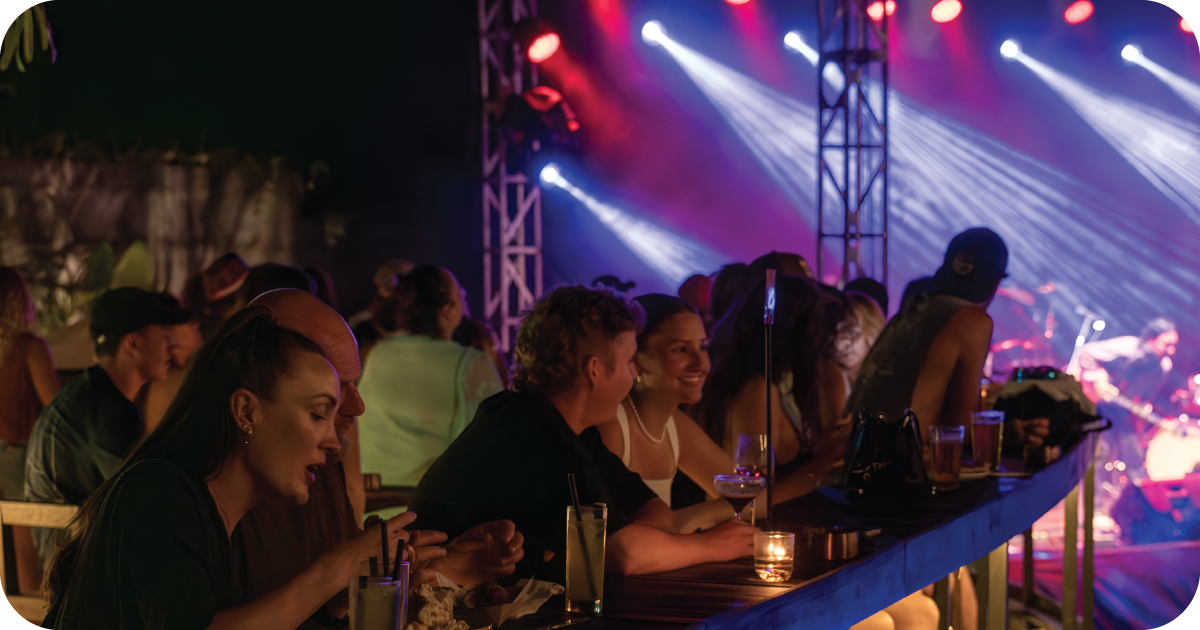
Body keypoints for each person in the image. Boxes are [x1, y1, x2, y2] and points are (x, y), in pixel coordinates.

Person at [40, 306, 419, 629]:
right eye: (318, 414)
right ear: (246, 411)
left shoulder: (219, 517)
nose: (334, 440)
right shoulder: (158, 492)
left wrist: (344, 593)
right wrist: (333, 570)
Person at [409, 285, 758, 583]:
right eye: (628, 362)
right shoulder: (536, 439)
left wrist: (617, 545)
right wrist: (714, 545)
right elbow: (626, 554)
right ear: (594, 369)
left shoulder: (565, 428)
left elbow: (654, 516)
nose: (634, 374)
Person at [240, 290, 525, 629]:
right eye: (326, 397)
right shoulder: (203, 494)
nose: (358, 407)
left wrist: (441, 566)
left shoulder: (319, 468)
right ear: (249, 407)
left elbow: (333, 605)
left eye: (353, 384)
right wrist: (339, 567)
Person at [25, 287, 191, 562]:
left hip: (63, 548)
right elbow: (139, 498)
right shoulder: (108, 408)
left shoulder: (90, 392)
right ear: (132, 343)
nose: (172, 344)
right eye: (164, 334)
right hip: (73, 563)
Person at [698, 275, 851, 504]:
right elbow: (755, 493)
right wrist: (821, 465)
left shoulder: (787, 382)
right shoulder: (758, 390)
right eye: (818, 325)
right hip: (762, 528)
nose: (826, 336)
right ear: (797, 331)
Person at [357, 266, 504, 487]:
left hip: (368, 512)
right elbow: (498, 445)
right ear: (448, 308)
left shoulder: (369, 355)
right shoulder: (471, 363)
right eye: (459, 296)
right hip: (432, 511)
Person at [596, 294, 735, 512]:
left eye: (702, 346)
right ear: (635, 359)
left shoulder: (674, 425)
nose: (700, 363)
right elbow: (615, 534)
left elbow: (748, 496)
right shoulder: (612, 423)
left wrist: (808, 478)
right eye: (680, 349)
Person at [0, 268, 61, 593]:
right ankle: (34, 619)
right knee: (31, 540)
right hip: (21, 456)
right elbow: (57, 409)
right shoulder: (28, 348)